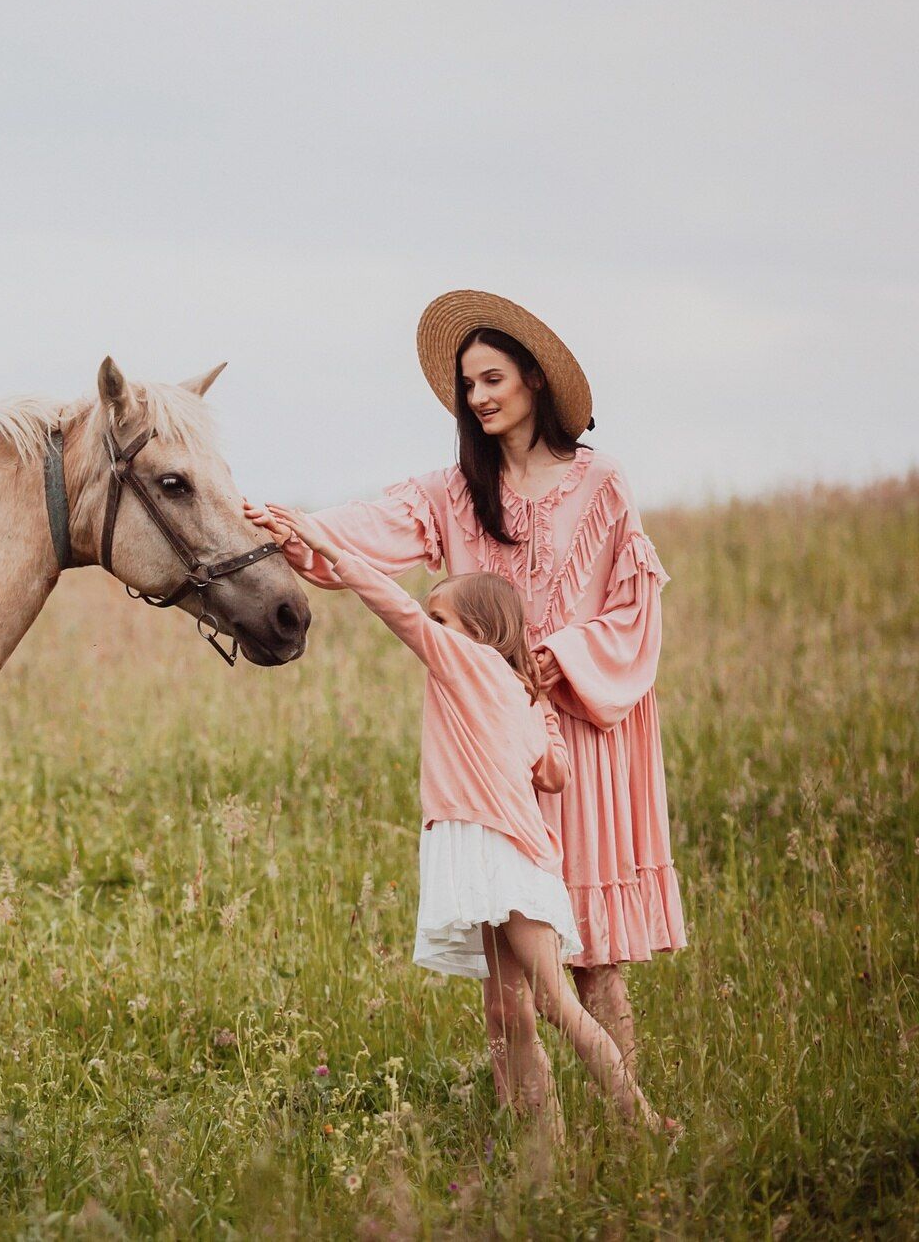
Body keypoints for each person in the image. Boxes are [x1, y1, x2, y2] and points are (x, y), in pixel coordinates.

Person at [246, 291, 683, 1089]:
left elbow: (634, 608)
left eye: (492, 378)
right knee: (507, 976)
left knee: (594, 959)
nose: (479, 396)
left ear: (535, 381)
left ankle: (629, 1137)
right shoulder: (451, 492)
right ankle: (536, 1157)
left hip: (581, 734)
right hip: (489, 746)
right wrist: (280, 526)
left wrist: (557, 655)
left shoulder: (603, 484)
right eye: (468, 384)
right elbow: (366, 529)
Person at [266, 502, 669, 1134]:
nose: (430, 629)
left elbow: (389, 604)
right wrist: (536, 727)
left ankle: (644, 1120)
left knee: (557, 1004)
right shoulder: (518, 693)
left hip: (504, 855)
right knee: (512, 1014)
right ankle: (544, 1152)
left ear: (477, 632)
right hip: (486, 855)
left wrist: (319, 540)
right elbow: (553, 776)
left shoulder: (466, 663)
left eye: (441, 619)